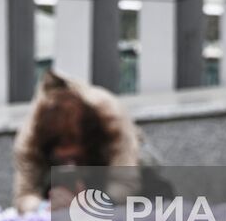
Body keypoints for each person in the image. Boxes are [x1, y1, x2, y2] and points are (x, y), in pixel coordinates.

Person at [12, 69, 145, 213]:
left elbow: (126, 181)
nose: (70, 164)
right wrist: (44, 207)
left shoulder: (111, 116)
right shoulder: (30, 137)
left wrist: (97, 204)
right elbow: (24, 194)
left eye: (74, 157)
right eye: (64, 157)